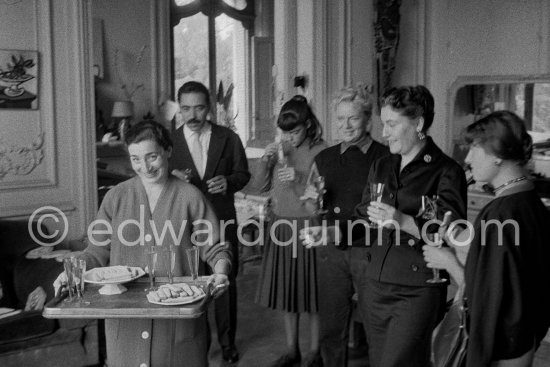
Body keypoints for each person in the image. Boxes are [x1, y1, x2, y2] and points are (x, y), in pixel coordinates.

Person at [54, 120, 232, 367]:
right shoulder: (116, 197)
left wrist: (220, 272)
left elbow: (215, 248)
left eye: (152, 157)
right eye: (135, 159)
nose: (144, 167)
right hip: (126, 322)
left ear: (168, 151)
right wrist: (70, 273)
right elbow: (96, 250)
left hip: (176, 321)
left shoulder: (190, 196)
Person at [423, 110, 550, 367]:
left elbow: (487, 297)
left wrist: (449, 262)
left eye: (475, 148)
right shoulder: (529, 201)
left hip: (502, 347)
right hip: (525, 337)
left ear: (498, 155)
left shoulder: (500, 213)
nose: (468, 158)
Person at [355, 85, 467, 367]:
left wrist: (402, 220)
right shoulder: (381, 165)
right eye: (383, 124)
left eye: (392, 124)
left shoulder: (447, 171)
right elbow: (364, 215)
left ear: (417, 123)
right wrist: (333, 231)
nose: (384, 133)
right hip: (374, 285)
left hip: (417, 291)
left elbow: (448, 234)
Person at [301, 85, 389, 367]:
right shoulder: (324, 159)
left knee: (378, 325)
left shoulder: (385, 158)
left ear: (367, 119)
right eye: (340, 119)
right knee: (331, 325)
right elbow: (312, 206)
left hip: (370, 251)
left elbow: (385, 212)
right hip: (331, 252)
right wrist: (313, 203)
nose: (346, 125)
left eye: (353, 118)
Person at [170, 81, 250, 363]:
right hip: (184, 226)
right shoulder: (169, 141)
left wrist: (228, 182)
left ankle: (228, 344)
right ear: (179, 108)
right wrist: (173, 180)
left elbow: (243, 174)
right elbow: (156, 181)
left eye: (199, 108)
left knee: (223, 282)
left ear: (210, 108)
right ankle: (198, 344)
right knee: (191, 284)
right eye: (186, 108)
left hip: (222, 221)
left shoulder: (228, 138)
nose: (192, 115)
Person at [254, 95, 328, 367]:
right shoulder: (279, 150)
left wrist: (298, 178)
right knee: (288, 294)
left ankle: (315, 351)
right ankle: (291, 350)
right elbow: (259, 187)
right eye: (285, 132)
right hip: (281, 228)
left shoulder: (321, 151)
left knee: (313, 295)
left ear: (308, 125)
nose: (290, 138)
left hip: (309, 228)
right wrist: (265, 159)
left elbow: (321, 196)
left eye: (295, 132)